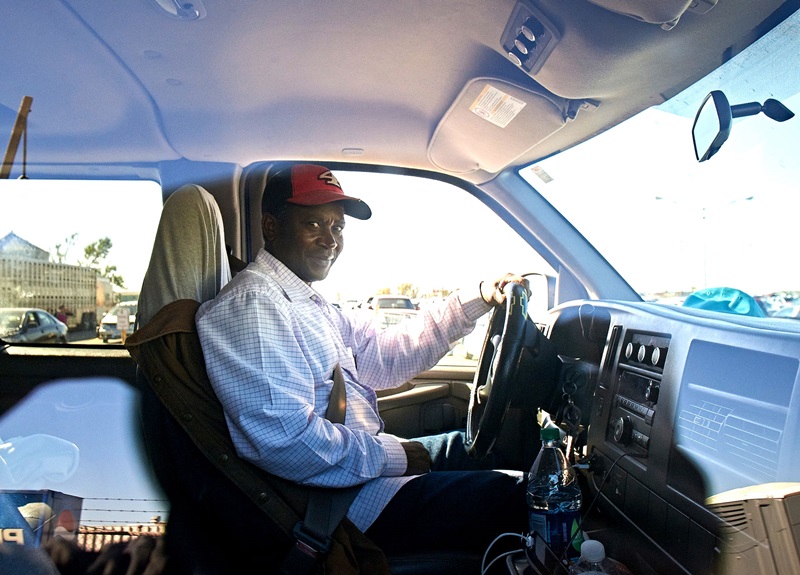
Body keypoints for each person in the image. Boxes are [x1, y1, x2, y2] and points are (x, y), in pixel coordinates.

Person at [195, 163, 530, 561]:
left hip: (355, 474)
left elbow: (388, 355)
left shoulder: (306, 303)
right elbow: (287, 442)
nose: (330, 240)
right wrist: (395, 456)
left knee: (485, 446)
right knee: (518, 497)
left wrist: (475, 299)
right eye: (314, 224)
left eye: (337, 227)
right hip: (339, 506)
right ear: (270, 226)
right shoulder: (253, 305)